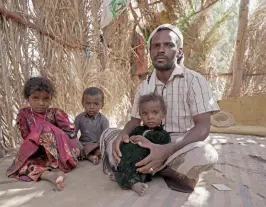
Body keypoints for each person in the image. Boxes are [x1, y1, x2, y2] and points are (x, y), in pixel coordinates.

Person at [100, 24, 220, 193]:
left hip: (178, 145)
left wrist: (166, 149)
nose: (161, 50)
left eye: (168, 45)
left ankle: (148, 167)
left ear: (179, 51)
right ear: (150, 52)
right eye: (156, 46)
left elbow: (203, 127)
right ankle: (162, 169)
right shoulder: (144, 87)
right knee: (109, 135)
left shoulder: (195, 81)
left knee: (206, 154)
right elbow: (134, 121)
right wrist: (122, 135)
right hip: (145, 142)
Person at [7, 77, 82, 191]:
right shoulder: (24, 114)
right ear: (28, 98)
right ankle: (49, 175)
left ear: (50, 99)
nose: (41, 103)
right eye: (35, 98)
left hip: (60, 154)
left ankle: (56, 167)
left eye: (46, 99)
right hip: (39, 154)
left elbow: (70, 133)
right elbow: (27, 138)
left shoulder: (55, 113)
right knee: (22, 166)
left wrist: (52, 131)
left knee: (44, 126)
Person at [110, 93, 171, 196]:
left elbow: (161, 148)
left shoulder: (162, 134)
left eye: (155, 113)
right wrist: (131, 138)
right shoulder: (138, 129)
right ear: (140, 115)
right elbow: (129, 137)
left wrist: (145, 141)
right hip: (128, 157)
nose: (150, 117)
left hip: (142, 160)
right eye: (145, 113)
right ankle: (120, 175)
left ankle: (134, 183)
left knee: (138, 168)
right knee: (123, 154)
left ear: (163, 114)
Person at [74, 87, 109, 165]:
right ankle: (90, 156)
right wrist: (77, 145)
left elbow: (105, 138)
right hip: (82, 144)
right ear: (83, 103)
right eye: (88, 103)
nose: (92, 107)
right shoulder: (79, 118)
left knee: (103, 150)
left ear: (102, 105)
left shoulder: (104, 120)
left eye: (96, 104)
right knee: (74, 149)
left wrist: (101, 146)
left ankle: (91, 155)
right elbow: (73, 135)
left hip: (96, 145)